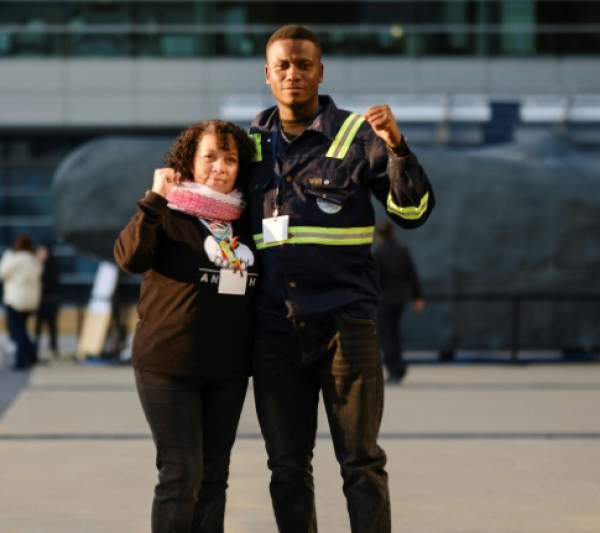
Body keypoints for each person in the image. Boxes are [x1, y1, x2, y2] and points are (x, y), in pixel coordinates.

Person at [246, 24, 435, 532]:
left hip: (344, 326)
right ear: (267, 76)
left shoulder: (357, 136)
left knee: (361, 462)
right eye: (282, 66)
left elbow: (412, 211)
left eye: (304, 64)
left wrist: (397, 146)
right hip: (273, 331)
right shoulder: (249, 146)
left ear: (320, 71)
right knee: (286, 467)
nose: (293, 74)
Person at [114, 119, 258, 532]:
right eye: (209, 157)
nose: (220, 167)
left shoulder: (247, 221)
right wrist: (154, 199)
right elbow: (129, 258)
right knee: (181, 475)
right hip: (168, 366)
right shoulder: (167, 213)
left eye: (230, 159)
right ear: (189, 162)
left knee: (214, 477)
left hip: (228, 370)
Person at [372, 221, 425, 385]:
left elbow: (375, 279)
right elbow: (412, 275)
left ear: (379, 236)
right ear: (393, 233)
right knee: (394, 333)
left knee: (386, 336)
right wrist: (417, 297)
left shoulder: (377, 253)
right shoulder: (402, 251)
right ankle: (399, 366)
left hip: (384, 300)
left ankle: (395, 369)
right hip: (400, 299)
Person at [0, 235, 42, 370]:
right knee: (22, 329)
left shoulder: (15, 259)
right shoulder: (34, 260)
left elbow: (1, 273)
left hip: (15, 300)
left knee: (17, 331)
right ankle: (31, 354)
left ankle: (20, 360)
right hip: (30, 301)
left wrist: (7, 256)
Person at [34, 244, 61, 359]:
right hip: (39, 301)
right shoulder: (35, 265)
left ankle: (53, 347)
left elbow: (54, 283)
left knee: (52, 326)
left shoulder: (52, 266)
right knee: (38, 327)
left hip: (51, 301)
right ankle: (35, 348)